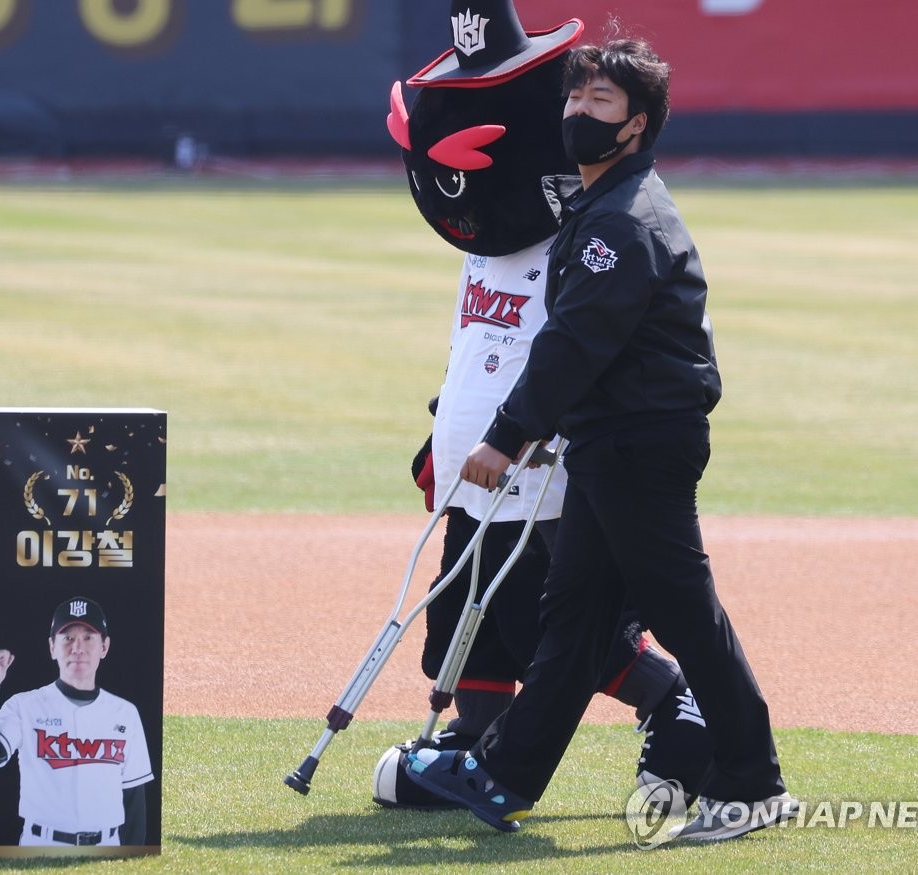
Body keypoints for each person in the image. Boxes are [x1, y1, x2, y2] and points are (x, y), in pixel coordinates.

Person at [406, 36, 800, 843]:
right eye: (574, 100)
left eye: (600, 105)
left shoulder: (620, 222)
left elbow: (574, 344)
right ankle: (508, 775)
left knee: (685, 612)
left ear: (637, 125)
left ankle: (753, 782)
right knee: (575, 613)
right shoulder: (602, 206)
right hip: (609, 443)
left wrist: (506, 436)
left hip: (639, 445)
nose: (577, 114)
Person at [373, 0, 713, 809]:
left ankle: (675, 702)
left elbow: (569, 356)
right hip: (476, 465)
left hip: (540, 466)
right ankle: (474, 741)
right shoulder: (486, 244)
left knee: (561, 624)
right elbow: (474, 351)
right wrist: (445, 432)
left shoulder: (581, 232)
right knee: (464, 616)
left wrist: (516, 433)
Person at [0, 597, 154, 846]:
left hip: (106, 846)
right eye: (68, 638)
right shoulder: (24, 706)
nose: (78, 648)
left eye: (88, 637)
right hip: (40, 845)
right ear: (52, 647)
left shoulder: (125, 713)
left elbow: (134, 800)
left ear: (104, 647)